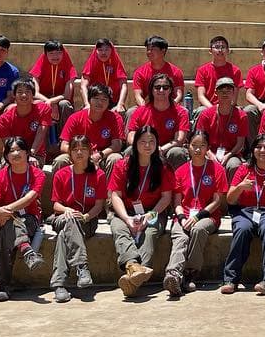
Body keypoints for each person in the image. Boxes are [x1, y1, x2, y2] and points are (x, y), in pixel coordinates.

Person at [108, 125, 173, 296]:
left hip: (154, 211)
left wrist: (149, 215)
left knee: (150, 233)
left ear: (157, 144)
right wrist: (127, 219)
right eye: (143, 141)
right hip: (126, 211)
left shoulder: (163, 167)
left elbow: (166, 198)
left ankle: (132, 279)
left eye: (152, 141)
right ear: (135, 143)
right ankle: (133, 265)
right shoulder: (122, 165)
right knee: (119, 229)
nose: (147, 145)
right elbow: (115, 196)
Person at [161, 130, 227, 297]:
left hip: (208, 216)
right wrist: (182, 218)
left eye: (202, 146)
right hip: (183, 215)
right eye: (194, 145)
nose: (198, 149)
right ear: (187, 147)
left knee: (198, 229)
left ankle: (190, 273)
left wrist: (198, 216)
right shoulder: (181, 171)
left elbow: (217, 201)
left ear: (208, 148)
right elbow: (177, 202)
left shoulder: (217, 169)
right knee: (181, 236)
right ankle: (173, 275)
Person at [223, 135, 265, 295]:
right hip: (245, 212)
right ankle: (231, 279)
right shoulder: (243, 170)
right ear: (252, 150)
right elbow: (230, 200)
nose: (262, 150)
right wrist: (240, 187)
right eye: (258, 147)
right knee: (242, 229)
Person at [0, 137, 47, 301]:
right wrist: (0, 212)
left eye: (19, 150)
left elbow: (29, 199)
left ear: (27, 152)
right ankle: (27, 251)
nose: (15, 153)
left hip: (27, 219)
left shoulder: (38, 174)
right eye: (11, 151)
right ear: (6, 156)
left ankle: (2, 285)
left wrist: (6, 211)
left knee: (8, 229)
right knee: (9, 223)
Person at [47, 134, 104, 302]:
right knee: (69, 220)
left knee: (63, 236)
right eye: (75, 149)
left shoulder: (98, 175)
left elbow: (99, 206)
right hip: (63, 217)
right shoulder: (61, 174)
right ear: (70, 153)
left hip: (87, 219)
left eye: (83, 149)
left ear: (90, 152)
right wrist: (67, 210)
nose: (79, 153)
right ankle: (81, 267)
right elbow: (56, 205)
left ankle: (59, 285)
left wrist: (86, 216)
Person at [56, 83, 125, 172]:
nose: (100, 103)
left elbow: (117, 145)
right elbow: (64, 146)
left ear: (109, 102)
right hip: (79, 153)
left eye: (104, 99)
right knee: (60, 160)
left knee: (115, 158)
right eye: (96, 98)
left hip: (103, 155)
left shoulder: (115, 118)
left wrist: (100, 155)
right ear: (89, 100)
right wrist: (83, 153)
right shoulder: (75, 118)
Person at [125, 75, 190, 169]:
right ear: (151, 90)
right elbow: (131, 137)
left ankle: (177, 179)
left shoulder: (181, 112)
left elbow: (179, 140)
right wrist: (148, 148)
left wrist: (161, 149)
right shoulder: (140, 111)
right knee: (130, 151)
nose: (161, 90)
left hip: (168, 149)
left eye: (165, 87)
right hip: (145, 148)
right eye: (157, 87)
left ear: (170, 90)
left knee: (177, 152)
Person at [195, 76, 249, 173]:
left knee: (234, 165)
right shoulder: (206, 114)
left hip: (232, 154)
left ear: (233, 93)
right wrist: (210, 155)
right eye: (221, 90)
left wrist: (228, 155)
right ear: (216, 93)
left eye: (228, 90)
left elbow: (240, 144)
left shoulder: (241, 116)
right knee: (202, 162)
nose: (225, 93)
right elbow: (201, 140)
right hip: (208, 152)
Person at [30, 39, 77, 140]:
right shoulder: (41, 64)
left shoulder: (67, 65)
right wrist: (49, 102)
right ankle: (40, 141)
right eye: (51, 53)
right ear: (46, 54)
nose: (55, 56)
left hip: (61, 100)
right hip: (43, 100)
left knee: (65, 104)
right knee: (39, 104)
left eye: (59, 53)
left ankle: (66, 139)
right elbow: (35, 93)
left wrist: (52, 101)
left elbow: (67, 95)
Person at [0, 78, 50, 165]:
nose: (24, 95)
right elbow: (9, 145)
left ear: (33, 94)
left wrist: (31, 154)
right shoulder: (4, 119)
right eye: (20, 92)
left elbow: (41, 133)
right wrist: (22, 157)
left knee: (32, 165)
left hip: (36, 153)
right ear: (14, 95)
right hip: (12, 153)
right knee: (10, 168)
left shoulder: (43, 109)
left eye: (28, 92)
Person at [131, 35, 185, 108]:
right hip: (147, 107)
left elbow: (179, 95)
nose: (149, 52)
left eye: (153, 49)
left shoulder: (176, 72)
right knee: (130, 112)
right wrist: (145, 108)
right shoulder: (140, 72)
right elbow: (138, 96)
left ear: (163, 51)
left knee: (185, 111)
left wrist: (169, 108)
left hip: (170, 107)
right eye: (148, 49)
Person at [194, 36, 243, 110]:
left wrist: (225, 110)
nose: (220, 50)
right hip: (208, 107)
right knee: (201, 110)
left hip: (229, 107)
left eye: (223, 47)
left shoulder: (235, 71)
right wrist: (213, 109)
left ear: (228, 50)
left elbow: (234, 97)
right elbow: (201, 96)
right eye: (216, 47)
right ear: (210, 51)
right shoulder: (202, 70)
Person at [80, 38, 129, 111]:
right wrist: (87, 104)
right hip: (94, 101)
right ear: (96, 51)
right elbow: (83, 86)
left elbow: (124, 86)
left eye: (107, 50)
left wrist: (120, 104)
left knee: (120, 112)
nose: (103, 53)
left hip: (112, 102)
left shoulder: (116, 62)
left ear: (111, 51)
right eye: (100, 50)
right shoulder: (92, 62)